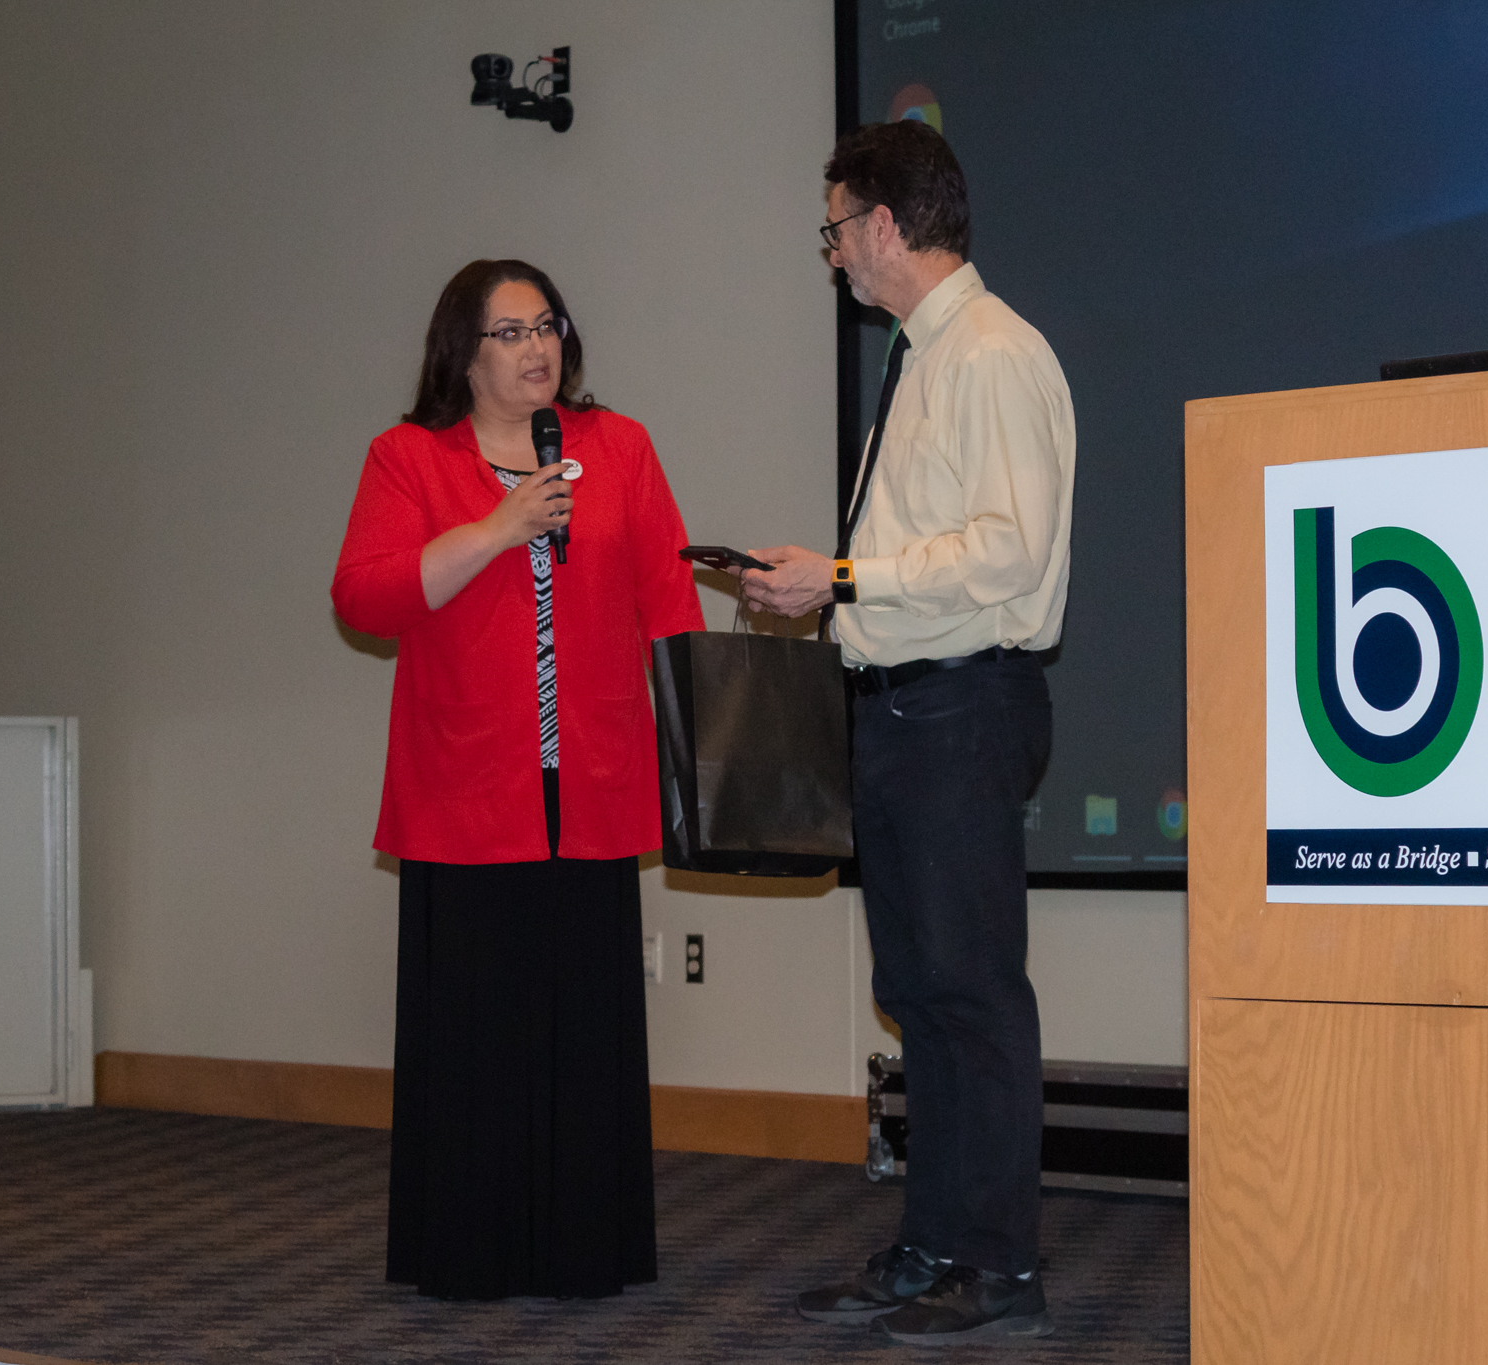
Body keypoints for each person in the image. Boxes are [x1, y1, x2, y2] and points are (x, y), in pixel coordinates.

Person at [737, 121, 1076, 1344]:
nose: (829, 255)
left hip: (961, 704)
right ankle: (932, 1242)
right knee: (920, 993)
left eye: (833, 230)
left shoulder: (988, 353)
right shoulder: (919, 355)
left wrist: (842, 577)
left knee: (969, 994)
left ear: (884, 225)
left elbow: (1008, 547)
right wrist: (837, 583)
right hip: (901, 710)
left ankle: (1000, 1264)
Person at [331, 259, 704, 1300]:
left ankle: (588, 1249)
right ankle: (468, 1252)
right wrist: (496, 529)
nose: (535, 346)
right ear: (462, 351)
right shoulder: (408, 459)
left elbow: (667, 600)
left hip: (589, 779)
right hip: (466, 792)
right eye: (509, 332)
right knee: (476, 1041)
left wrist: (692, 749)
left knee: (583, 1036)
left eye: (547, 325)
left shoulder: (615, 446)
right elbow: (364, 597)